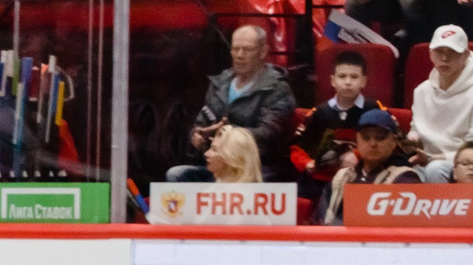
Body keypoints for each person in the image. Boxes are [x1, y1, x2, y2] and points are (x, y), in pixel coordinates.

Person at [166, 24, 294, 183]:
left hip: (257, 168)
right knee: (176, 174)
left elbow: (268, 133)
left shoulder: (277, 88)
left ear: (263, 52)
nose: (239, 55)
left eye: (247, 50)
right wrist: (197, 135)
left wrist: (225, 134)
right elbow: (202, 122)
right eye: (235, 49)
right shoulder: (219, 83)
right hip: (218, 166)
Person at [407, 25, 473, 178]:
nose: (444, 58)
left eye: (452, 52)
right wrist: (412, 140)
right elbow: (415, 128)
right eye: (439, 51)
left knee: (435, 169)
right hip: (423, 159)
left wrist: (433, 159)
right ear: (431, 54)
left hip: (462, 163)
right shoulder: (421, 91)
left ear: (466, 55)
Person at [289, 53, 375, 191]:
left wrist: (358, 154)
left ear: (364, 81)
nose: (348, 82)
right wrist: (307, 163)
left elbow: (392, 142)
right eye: (342, 76)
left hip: (363, 177)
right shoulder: (318, 113)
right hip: (323, 180)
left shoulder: (374, 111)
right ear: (332, 80)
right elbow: (296, 148)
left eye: (354, 77)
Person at [324, 109, 425, 220]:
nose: (372, 144)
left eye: (380, 137)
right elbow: (318, 220)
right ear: (357, 141)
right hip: (335, 236)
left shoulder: (404, 178)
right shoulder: (342, 176)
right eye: (366, 137)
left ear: (394, 142)